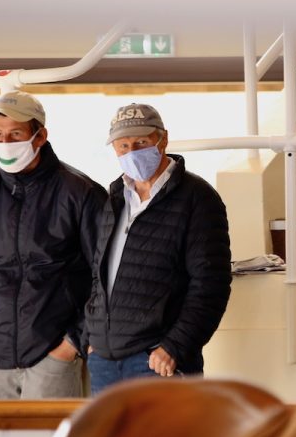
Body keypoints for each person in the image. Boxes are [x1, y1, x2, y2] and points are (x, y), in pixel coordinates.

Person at [0, 90, 108, 399]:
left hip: (54, 356)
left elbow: (106, 275)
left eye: (15, 134)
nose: (5, 144)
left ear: (40, 136)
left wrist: (73, 343)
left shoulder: (80, 193)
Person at [84, 103, 232, 394]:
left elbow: (210, 285)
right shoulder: (115, 198)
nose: (132, 152)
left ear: (162, 140)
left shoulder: (197, 199)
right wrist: (89, 336)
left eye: (141, 142)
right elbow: (98, 275)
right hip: (104, 361)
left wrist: (175, 347)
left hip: (158, 362)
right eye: (123, 145)